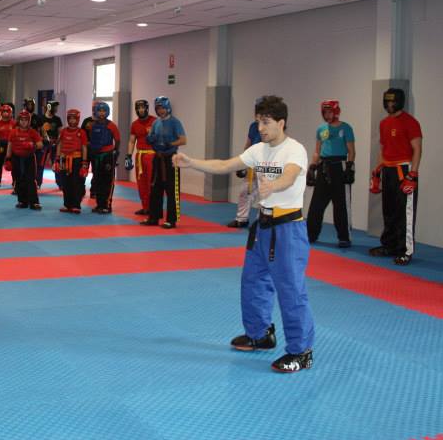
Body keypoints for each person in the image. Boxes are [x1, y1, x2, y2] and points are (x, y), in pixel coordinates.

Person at [174, 95, 314, 373]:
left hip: (288, 229)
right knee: (253, 281)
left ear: (281, 123)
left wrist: (272, 187)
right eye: (258, 122)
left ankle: (301, 351)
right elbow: (226, 165)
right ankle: (260, 333)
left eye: (266, 122)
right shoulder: (259, 150)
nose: (260, 128)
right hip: (262, 227)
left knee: (290, 290)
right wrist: (192, 163)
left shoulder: (294, 150)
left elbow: (289, 176)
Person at [369, 88, 423, 265]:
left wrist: (413, 174)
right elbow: (383, 148)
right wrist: (377, 172)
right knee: (389, 210)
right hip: (388, 169)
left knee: (404, 213)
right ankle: (389, 245)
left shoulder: (410, 122)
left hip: (404, 169)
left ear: (400, 101)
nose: (390, 104)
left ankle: (405, 250)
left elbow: (417, 149)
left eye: (393, 101)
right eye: (387, 101)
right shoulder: (384, 123)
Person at [306, 100, 355, 247]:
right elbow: (317, 151)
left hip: (339, 166)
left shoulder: (346, 128)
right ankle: (310, 235)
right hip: (324, 167)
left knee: (340, 205)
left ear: (336, 111)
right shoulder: (321, 129)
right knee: (316, 205)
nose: (327, 115)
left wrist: (349, 167)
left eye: (329, 112)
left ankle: (344, 237)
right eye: (325, 112)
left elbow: (351, 151)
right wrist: (313, 167)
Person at [140, 96, 187, 229]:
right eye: (158, 108)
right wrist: (150, 139)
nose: (160, 111)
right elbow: (152, 138)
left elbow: (183, 140)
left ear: (167, 107)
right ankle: (154, 217)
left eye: (162, 108)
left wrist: (170, 143)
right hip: (158, 158)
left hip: (171, 158)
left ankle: (171, 220)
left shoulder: (175, 122)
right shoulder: (156, 123)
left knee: (171, 190)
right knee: (155, 188)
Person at [229, 104, 263, 228]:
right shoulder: (253, 126)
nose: (257, 114)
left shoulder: (270, 128)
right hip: (251, 163)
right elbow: (248, 145)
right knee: (245, 191)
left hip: (265, 165)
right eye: (257, 111)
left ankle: (261, 221)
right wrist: (242, 163)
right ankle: (241, 218)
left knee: (264, 194)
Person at [87, 101, 120, 213]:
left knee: (108, 180)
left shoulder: (111, 125)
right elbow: (92, 140)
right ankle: (99, 204)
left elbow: (118, 140)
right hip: (96, 155)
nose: (101, 113)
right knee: (97, 180)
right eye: (100, 111)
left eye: (104, 111)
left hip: (108, 155)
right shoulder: (93, 125)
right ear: (96, 112)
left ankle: (107, 205)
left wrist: (115, 152)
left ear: (107, 112)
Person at [7, 110, 43, 210]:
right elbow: (10, 145)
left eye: (26, 120)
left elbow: (40, 144)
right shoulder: (13, 132)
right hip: (16, 158)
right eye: (22, 120)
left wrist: (33, 145)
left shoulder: (33, 132)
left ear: (29, 121)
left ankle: (34, 202)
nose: (23, 122)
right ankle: (22, 201)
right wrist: (8, 158)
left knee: (30, 180)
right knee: (18, 179)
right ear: (19, 121)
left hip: (29, 157)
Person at [125, 100, 156, 216]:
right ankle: (145, 207)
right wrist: (128, 156)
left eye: (143, 107)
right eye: (139, 108)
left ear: (147, 108)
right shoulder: (134, 124)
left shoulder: (155, 121)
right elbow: (132, 141)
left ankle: (154, 208)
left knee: (151, 183)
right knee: (141, 183)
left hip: (152, 155)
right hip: (140, 156)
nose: (141, 110)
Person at [56, 109, 89, 213]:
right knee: (65, 183)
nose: (72, 121)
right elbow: (60, 144)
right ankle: (67, 204)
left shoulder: (81, 132)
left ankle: (76, 205)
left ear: (78, 119)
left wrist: (84, 162)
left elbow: (84, 147)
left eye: (74, 118)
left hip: (77, 159)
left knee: (77, 182)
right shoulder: (63, 131)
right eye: (70, 118)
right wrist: (57, 159)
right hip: (64, 159)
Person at [40, 100, 62, 188]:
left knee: (56, 163)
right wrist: (43, 138)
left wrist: (58, 140)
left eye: (56, 107)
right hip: (44, 144)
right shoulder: (41, 119)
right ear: (49, 107)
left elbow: (60, 132)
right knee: (40, 163)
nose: (56, 109)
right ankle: (38, 182)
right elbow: (39, 131)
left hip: (55, 144)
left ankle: (60, 183)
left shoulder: (57, 119)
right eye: (55, 107)